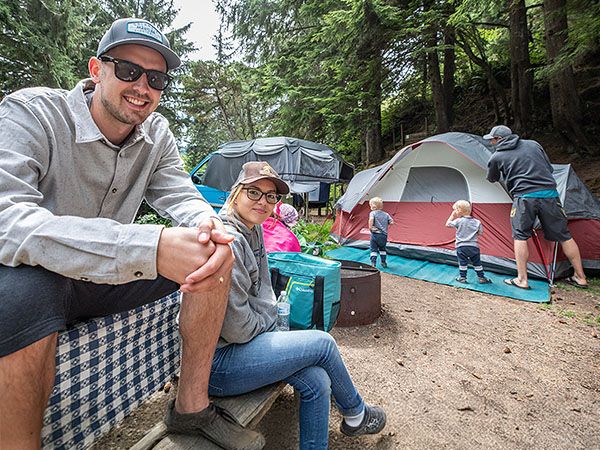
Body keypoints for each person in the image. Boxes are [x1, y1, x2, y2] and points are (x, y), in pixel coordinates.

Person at [0, 18, 263, 450]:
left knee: (212, 253)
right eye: (128, 70)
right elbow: (7, 221)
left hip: (101, 281)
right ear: (96, 69)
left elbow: (182, 194)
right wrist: (147, 244)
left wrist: (208, 224)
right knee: (23, 289)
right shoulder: (32, 112)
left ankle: (191, 409)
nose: (142, 86)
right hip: (36, 275)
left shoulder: (156, 134)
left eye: (156, 78)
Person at [203, 161, 387, 449]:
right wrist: (269, 320)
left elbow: (264, 295)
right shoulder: (228, 240)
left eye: (271, 196)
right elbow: (237, 327)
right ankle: (356, 414)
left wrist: (269, 317)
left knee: (316, 379)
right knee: (323, 344)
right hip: (216, 365)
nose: (263, 202)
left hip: (243, 346)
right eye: (254, 193)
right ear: (235, 193)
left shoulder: (253, 230)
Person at [484, 125, 588, 290]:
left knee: (520, 236)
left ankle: (522, 279)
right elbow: (549, 168)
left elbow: (492, 178)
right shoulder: (533, 144)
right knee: (564, 236)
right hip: (550, 197)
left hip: (524, 199)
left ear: (500, 139)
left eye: (493, 139)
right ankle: (580, 277)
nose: (491, 142)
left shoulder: (496, 157)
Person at [445, 200, 492, 284]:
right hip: (474, 247)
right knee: (477, 263)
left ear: (459, 210)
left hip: (461, 247)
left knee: (463, 263)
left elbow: (447, 224)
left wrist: (452, 215)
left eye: (455, 210)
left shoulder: (458, 221)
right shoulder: (477, 222)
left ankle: (462, 278)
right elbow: (480, 233)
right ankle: (481, 277)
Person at [368, 197, 394, 268]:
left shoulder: (372, 213)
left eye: (370, 205)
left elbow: (371, 220)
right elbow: (391, 222)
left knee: (373, 249)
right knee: (382, 249)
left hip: (375, 234)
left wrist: (371, 227)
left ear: (373, 206)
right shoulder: (386, 214)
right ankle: (383, 262)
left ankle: (373, 263)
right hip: (384, 235)